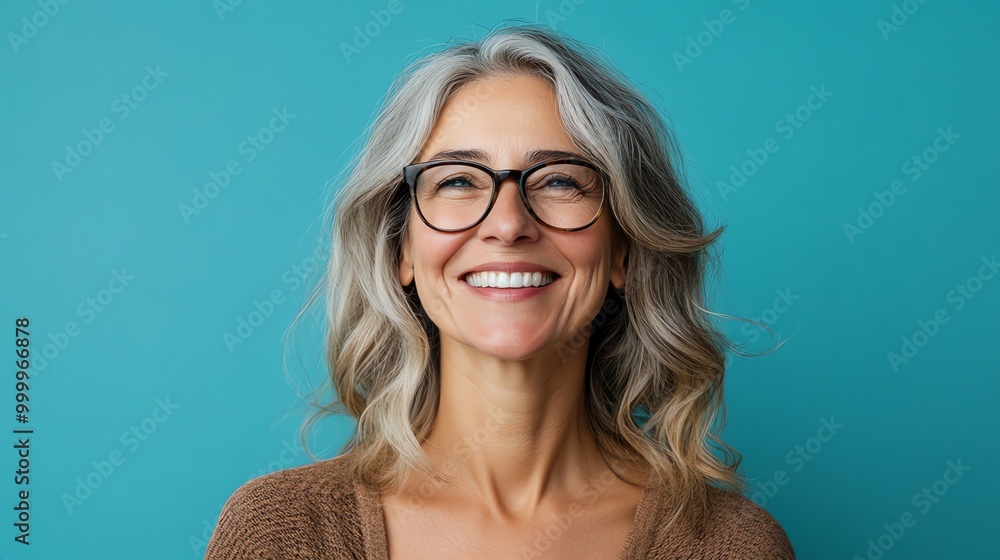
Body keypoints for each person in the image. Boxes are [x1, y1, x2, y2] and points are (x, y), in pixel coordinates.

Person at [205, 22, 795, 559]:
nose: (508, 224)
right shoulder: (281, 533)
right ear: (402, 250)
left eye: (560, 180)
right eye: (458, 180)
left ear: (623, 249)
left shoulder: (730, 546)